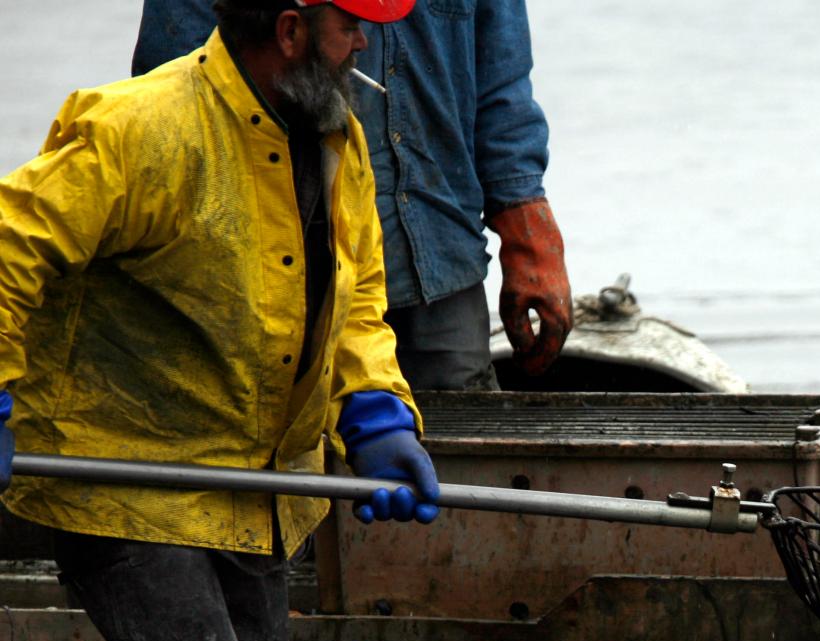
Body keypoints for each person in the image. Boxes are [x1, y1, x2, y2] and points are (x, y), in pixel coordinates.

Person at [0, 0, 440, 641]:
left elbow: (357, 298)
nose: (364, 42)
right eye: (352, 24)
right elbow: (10, 249)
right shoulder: (139, 127)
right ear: (291, 29)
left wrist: (376, 412)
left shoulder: (337, 136)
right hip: (125, 476)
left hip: (253, 487)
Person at [132, 0, 573, 391]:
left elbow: (503, 82)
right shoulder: (112, 137)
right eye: (349, 26)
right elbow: (179, 101)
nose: (360, 39)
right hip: (274, 272)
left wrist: (528, 230)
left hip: (439, 262)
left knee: (462, 452)